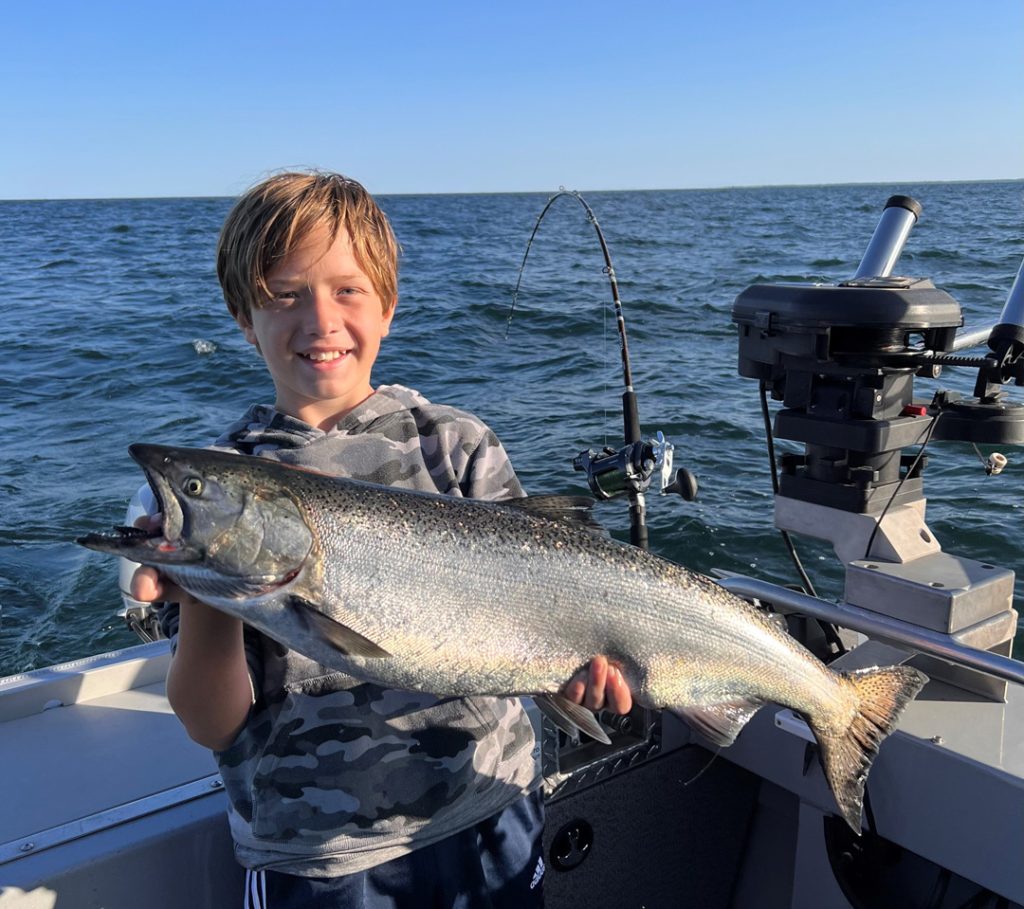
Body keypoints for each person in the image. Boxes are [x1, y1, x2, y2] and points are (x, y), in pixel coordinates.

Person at [130, 170, 632, 908]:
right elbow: (213, 721)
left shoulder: (455, 446)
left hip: (494, 812)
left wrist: (577, 665)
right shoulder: (233, 477)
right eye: (284, 293)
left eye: (347, 290)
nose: (320, 320)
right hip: (320, 860)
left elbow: (539, 609)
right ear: (244, 317)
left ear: (389, 307)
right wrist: (202, 588)